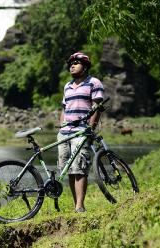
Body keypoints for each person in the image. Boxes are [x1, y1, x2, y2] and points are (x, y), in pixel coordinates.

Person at [58, 52, 104, 213]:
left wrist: (90, 129)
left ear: (84, 67)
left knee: (80, 168)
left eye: (76, 63)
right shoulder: (67, 86)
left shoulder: (93, 82)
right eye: (71, 63)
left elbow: (97, 107)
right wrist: (61, 125)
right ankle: (75, 204)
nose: (72, 65)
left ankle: (80, 206)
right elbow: (64, 107)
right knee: (69, 169)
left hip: (81, 132)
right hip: (65, 133)